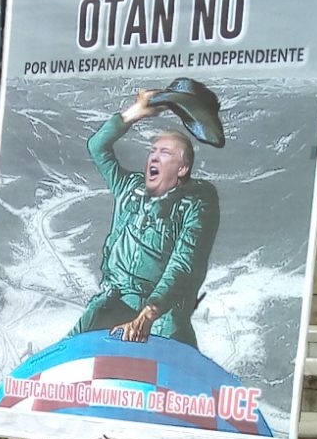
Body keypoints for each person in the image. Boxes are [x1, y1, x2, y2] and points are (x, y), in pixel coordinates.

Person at [69, 88, 220, 347]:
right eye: (153, 150)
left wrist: (148, 315)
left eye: (165, 153)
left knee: (169, 376)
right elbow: (97, 146)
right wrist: (136, 112)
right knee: (66, 360)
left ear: (182, 168)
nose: (154, 156)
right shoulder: (129, 187)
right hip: (116, 301)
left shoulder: (196, 203)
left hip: (161, 313)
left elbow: (184, 265)